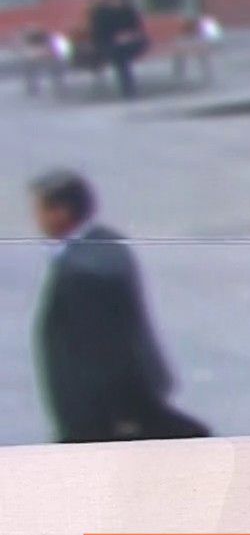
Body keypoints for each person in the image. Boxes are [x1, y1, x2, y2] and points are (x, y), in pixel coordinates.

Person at [30, 170, 208, 443]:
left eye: (40, 210)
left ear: (61, 213)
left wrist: (119, 415)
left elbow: (106, 348)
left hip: (101, 414)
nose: (37, 219)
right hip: (116, 406)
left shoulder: (83, 270)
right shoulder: (101, 243)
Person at [88, 0, 148, 99]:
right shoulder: (101, 13)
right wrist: (115, 38)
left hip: (130, 42)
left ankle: (128, 89)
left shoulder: (128, 10)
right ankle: (128, 89)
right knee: (120, 55)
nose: (118, 2)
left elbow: (137, 28)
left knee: (124, 52)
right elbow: (98, 33)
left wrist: (129, 36)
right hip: (109, 43)